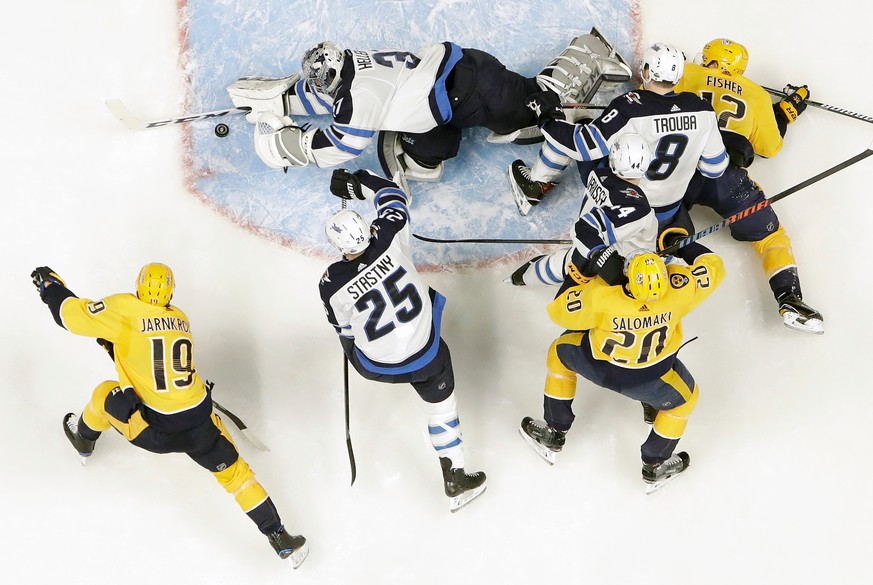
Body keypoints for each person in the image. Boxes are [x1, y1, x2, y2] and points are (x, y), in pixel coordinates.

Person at [30, 264, 308, 569]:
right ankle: (280, 538)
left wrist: (51, 287)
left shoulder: (124, 308)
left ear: (138, 284)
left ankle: (83, 439)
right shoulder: (180, 318)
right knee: (237, 476)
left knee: (103, 395)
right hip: (201, 422)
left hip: (156, 431)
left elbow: (69, 317)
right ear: (170, 292)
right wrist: (117, 347)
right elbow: (151, 355)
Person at [226, 30, 631, 185]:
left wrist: (281, 142)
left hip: (477, 90)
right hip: (456, 82)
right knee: (429, 155)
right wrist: (285, 101)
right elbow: (337, 99)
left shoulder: (357, 97)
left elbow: (341, 147)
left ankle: (587, 52)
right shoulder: (351, 62)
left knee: (540, 104)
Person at [319, 168, 486, 512]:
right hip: (425, 356)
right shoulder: (387, 235)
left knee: (352, 337)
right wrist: (357, 179)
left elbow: (342, 327)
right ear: (366, 230)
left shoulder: (330, 282)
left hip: (375, 366)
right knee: (442, 408)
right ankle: (454, 477)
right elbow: (392, 194)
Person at [519, 241, 725, 493]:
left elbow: (558, 311)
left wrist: (585, 274)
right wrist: (683, 244)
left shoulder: (601, 295)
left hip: (598, 365)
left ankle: (554, 430)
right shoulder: (680, 289)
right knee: (686, 401)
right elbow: (714, 266)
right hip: (651, 379)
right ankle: (655, 463)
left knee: (559, 353)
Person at [674, 38, 822, 334]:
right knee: (771, 238)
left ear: (712, 60)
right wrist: (783, 113)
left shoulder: (685, 73)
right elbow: (770, 146)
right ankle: (789, 299)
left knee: (657, 229)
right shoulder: (755, 93)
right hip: (728, 179)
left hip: (679, 169)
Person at [509, 41, 728, 217]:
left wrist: (548, 116)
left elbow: (582, 147)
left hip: (623, 205)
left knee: (573, 122)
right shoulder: (703, 109)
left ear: (648, 72)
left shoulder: (630, 107)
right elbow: (714, 168)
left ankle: (534, 186)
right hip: (668, 209)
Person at [508, 133, 660, 288]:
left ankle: (516, 280)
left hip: (584, 248)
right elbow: (590, 228)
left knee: (562, 264)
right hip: (628, 271)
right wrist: (600, 255)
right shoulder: (639, 209)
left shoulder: (598, 174)